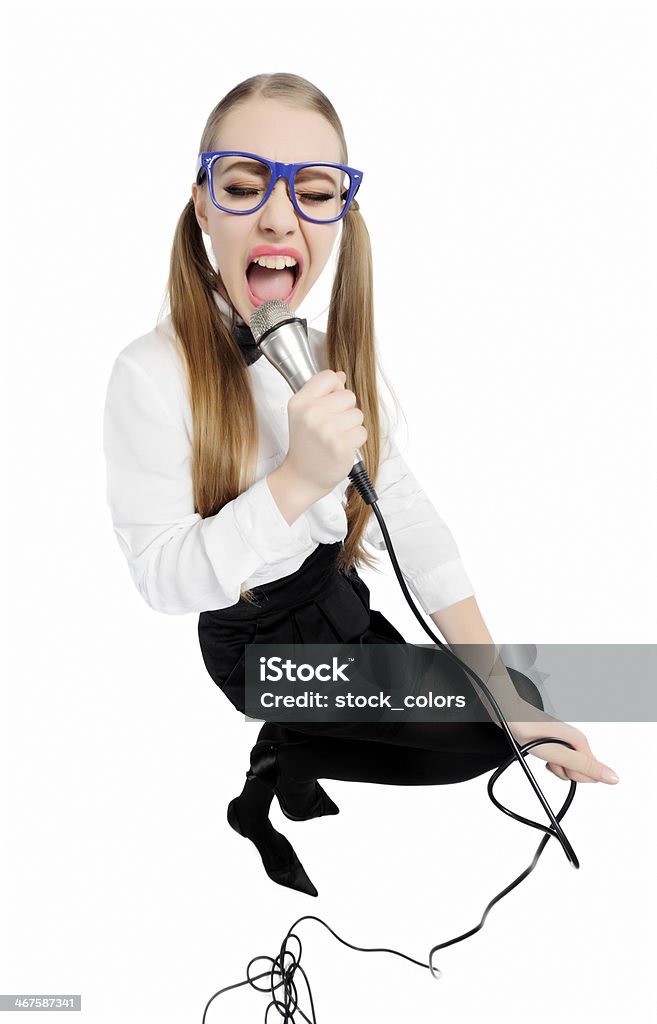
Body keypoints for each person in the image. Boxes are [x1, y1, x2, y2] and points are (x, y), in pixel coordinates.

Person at [103, 72, 619, 898]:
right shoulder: (150, 374)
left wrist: (502, 694)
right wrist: (296, 481)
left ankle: (315, 739)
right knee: (479, 739)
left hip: (335, 602)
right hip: (259, 643)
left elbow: (407, 520)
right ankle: (279, 761)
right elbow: (162, 579)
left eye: (312, 192)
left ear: (339, 217)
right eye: (243, 186)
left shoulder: (326, 354)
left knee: (511, 703)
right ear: (202, 204)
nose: (278, 215)